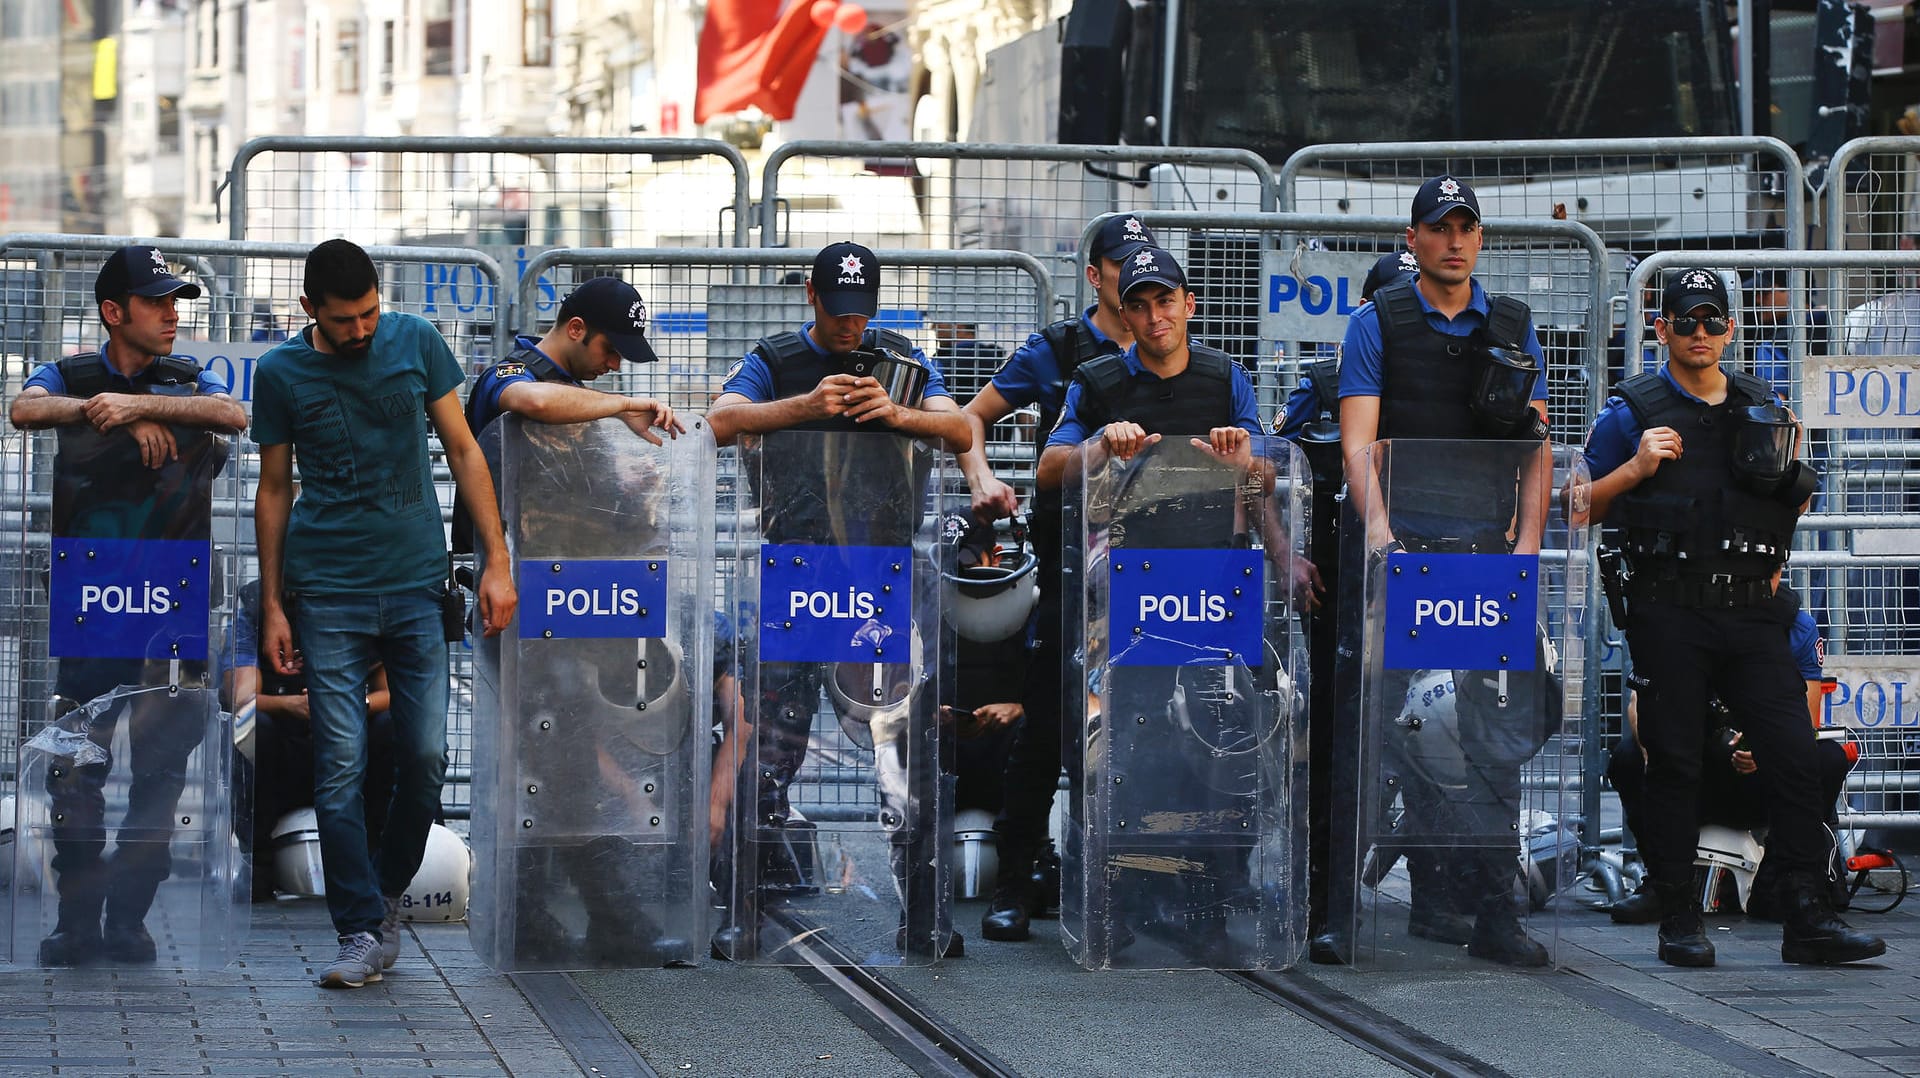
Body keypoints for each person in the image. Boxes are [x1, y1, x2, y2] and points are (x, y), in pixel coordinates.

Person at [1582, 265, 1883, 968]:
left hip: (1752, 614)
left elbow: (1791, 495)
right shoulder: (1631, 410)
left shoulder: (1762, 404)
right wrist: (1633, 470)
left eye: (1712, 320)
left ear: (1731, 328)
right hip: (1669, 612)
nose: (1700, 333)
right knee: (1674, 763)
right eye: (1684, 321)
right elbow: (1576, 506)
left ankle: (1807, 914)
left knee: (1792, 757)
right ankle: (1679, 917)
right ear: (1661, 330)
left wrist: (1778, 530)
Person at [251, 238, 519, 989]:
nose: (361, 331)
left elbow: (464, 451)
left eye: (370, 312)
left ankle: (382, 895)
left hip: (414, 585)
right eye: (344, 321)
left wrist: (497, 562)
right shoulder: (280, 374)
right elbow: (274, 489)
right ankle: (360, 929)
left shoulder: (416, 342)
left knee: (426, 756)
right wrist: (272, 603)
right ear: (310, 310)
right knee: (340, 767)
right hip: (326, 592)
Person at [707, 240, 972, 958]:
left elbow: (960, 428)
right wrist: (803, 405)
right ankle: (742, 909)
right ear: (813, 300)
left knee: (904, 749)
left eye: (863, 312)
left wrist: (896, 412)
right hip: (795, 569)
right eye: (839, 311)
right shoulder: (776, 358)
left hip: (880, 573)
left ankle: (924, 914)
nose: (852, 326)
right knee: (770, 744)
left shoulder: (902, 361)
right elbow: (720, 420)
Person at [1336, 174, 1555, 968]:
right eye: (1440, 227)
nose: (1455, 239)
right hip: (1405, 558)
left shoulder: (1514, 324)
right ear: (1414, 238)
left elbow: (1537, 446)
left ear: (1480, 238)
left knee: (1493, 743)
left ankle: (1496, 913)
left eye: (1467, 226)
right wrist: (1385, 538)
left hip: (1483, 560)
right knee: (1365, 734)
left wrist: (1527, 550)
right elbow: (1360, 444)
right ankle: (1336, 910)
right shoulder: (1378, 324)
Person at [9, 245, 247, 966]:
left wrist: (143, 405)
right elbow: (24, 407)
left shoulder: (183, 379)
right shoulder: (76, 374)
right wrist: (100, 412)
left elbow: (230, 413)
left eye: (176, 301)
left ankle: (129, 920)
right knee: (77, 768)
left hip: (170, 601)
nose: (173, 314)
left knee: (162, 773)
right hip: (94, 599)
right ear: (114, 313)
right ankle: (75, 921)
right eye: (156, 301)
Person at [1039, 245, 1275, 964]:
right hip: (1126, 591)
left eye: (1164, 300)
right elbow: (1050, 470)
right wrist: (1098, 449)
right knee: (1122, 746)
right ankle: (1108, 897)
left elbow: (1270, 471)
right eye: (1138, 303)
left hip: (1211, 587)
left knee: (1209, 737)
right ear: (1124, 310)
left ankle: (1199, 894)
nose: (1153, 315)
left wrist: (1248, 463)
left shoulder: (1225, 376)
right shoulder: (1098, 379)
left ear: (1188, 305)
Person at [960, 213, 1155, 943]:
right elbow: (972, 419)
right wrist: (982, 479)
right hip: (1075, 565)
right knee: (1045, 725)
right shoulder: (1061, 349)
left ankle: (1130, 880)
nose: (1138, 283)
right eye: (1121, 264)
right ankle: (1015, 883)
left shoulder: (1174, 350)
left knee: (1144, 727)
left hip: (1156, 569)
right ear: (1095, 274)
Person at [1272, 249, 1410, 963]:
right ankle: (1327, 892)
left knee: (1431, 737)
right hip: (1341, 585)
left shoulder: (1452, 379)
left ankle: (1455, 894)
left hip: (1429, 585)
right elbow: (1279, 470)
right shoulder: (1327, 382)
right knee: (1332, 741)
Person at [1605, 587, 1855, 924]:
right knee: (1628, 757)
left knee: (1826, 758)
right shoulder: (1677, 616)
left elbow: (1805, 722)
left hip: (1760, 774)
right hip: (1693, 768)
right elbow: (1640, 705)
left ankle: (1776, 886)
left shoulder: (1794, 624)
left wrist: (1764, 749)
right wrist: (1662, 747)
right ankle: (1663, 886)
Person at [220, 579, 398, 901]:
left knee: (392, 728)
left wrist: (348, 705)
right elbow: (240, 698)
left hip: (350, 747)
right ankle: (256, 865)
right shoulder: (255, 607)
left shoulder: (366, 598)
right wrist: (293, 705)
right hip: (285, 754)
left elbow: (395, 695)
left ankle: (379, 870)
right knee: (251, 726)